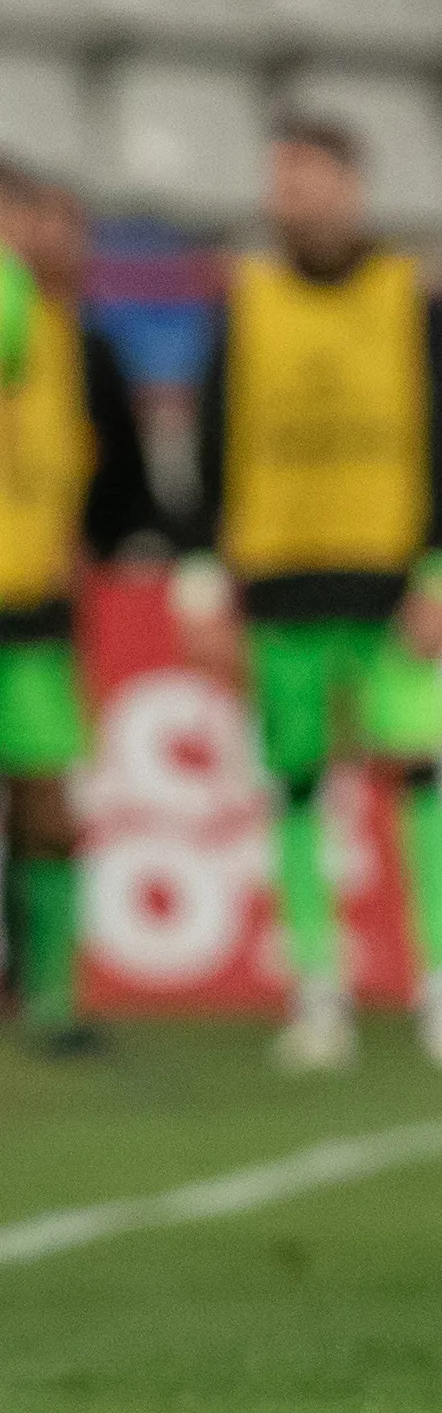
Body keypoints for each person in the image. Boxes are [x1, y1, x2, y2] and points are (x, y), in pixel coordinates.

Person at [173, 118, 442, 1081]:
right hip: (279, 584)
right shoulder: (246, 302)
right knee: (294, 786)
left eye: (313, 182)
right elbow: (209, 446)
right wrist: (202, 585)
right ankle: (317, 992)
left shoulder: (415, 299)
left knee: (422, 779)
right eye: (284, 183)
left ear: (351, 190)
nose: (297, 201)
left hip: (390, 581)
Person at [0, 168, 165, 1056]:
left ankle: (52, 997)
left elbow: (118, 491)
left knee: (48, 808)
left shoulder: (85, 348)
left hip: (35, 611)